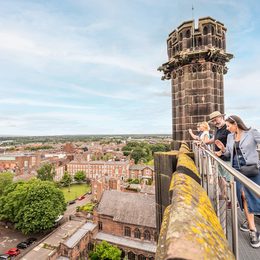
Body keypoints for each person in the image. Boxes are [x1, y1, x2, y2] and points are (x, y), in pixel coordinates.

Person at [215, 115, 260, 248]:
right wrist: (222, 150)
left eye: (229, 126)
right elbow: (229, 154)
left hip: (251, 170)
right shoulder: (230, 137)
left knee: (251, 196)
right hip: (237, 170)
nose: (227, 129)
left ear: (236, 123)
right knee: (242, 197)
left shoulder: (251, 133)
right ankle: (252, 226)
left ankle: (251, 226)